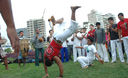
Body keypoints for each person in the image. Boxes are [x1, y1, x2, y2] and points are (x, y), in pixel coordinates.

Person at [43, 6, 80, 78]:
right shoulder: (45, 55)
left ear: (51, 60)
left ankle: (73, 10)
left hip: (59, 39)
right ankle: (55, 22)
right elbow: (44, 64)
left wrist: (60, 76)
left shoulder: (53, 57)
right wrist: (46, 73)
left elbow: (60, 64)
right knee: (63, 21)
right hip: (55, 36)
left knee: (73, 29)